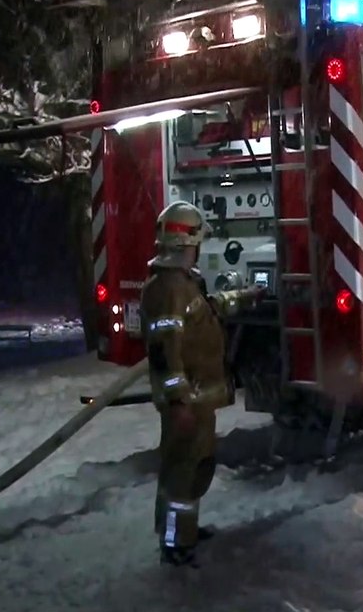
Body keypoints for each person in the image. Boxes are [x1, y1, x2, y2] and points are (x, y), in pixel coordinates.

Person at [141, 201, 264, 568]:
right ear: (187, 242)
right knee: (184, 472)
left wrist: (245, 297)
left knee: (191, 467)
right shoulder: (168, 289)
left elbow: (205, 310)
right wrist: (178, 402)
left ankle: (182, 531)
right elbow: (165, 351)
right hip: (188, 403)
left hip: (196, 400)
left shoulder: (179, 284)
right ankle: (176, 542)